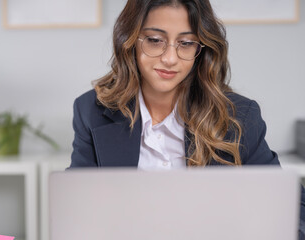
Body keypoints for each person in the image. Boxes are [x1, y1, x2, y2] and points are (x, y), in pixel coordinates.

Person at [69, 0, 305, 238]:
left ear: (200, 48)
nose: (170, 58)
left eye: (186, 43)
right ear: (129, 40)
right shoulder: (91, 110)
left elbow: (290, 206)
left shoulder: (239, 116)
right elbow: (75, 211)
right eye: (154, 40)